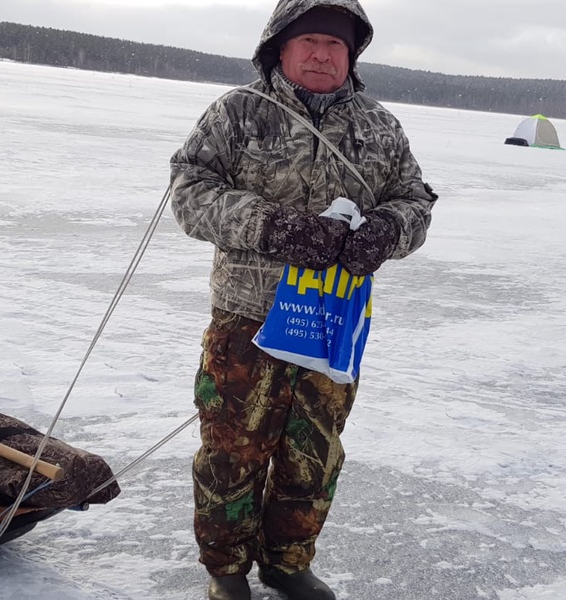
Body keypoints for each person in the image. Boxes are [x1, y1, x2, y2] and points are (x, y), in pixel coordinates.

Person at [169, 1, 436, 599]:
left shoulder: (379, 126)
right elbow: (189, 192)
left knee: (312, 454)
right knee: (233, 451)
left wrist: (388, 231)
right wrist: (273, 227)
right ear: (279, 48)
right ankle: (227, 571)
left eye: (335, 45)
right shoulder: (238, 114)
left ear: (353, 54)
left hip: (332, 323)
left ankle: (288, 562)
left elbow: (416, 199)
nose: (322, 54)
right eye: (309, 41)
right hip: (249, 318)